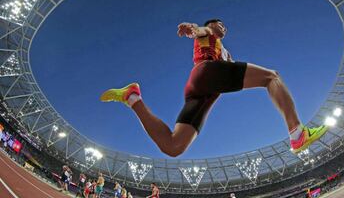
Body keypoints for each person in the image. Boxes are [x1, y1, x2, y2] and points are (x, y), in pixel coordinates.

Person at [100, 19, 328, 157]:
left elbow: (229, 72)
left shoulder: (225, 52)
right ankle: (297, 134)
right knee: (272, 77)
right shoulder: (209, 34)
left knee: (173, 146)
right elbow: (201, 31)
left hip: (201, 90)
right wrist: (194, 28)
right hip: (205, 73)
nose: (223, 28)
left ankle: (132, 98)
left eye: (223, 26)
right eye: (219, 24)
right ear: (212, 25)